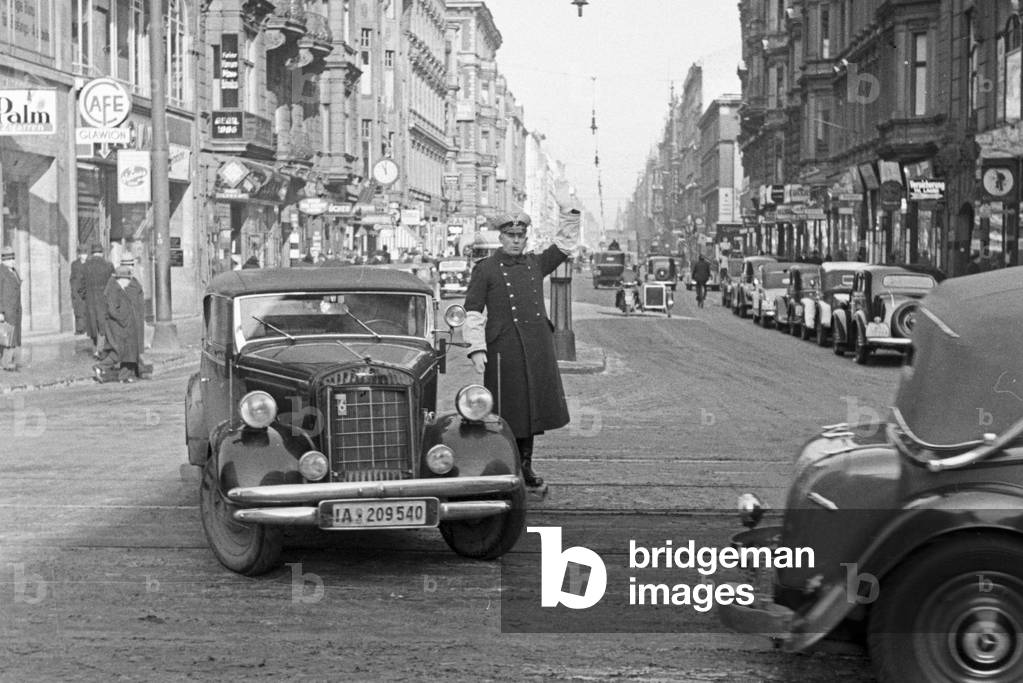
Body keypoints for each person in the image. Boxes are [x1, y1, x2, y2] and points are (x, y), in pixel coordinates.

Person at [463, 211, 572, 489]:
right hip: (504, 348)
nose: (515, 241)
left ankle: (525, 465)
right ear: (500, 237)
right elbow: (473, 311)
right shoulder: (485, 268)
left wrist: (570, 213)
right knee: (506, 408)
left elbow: (563, 245)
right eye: (510, 236)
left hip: (536, 347)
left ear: (525, 238)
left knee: (531, 408)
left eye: (520, 236)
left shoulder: (535, 263)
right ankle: (504, 463)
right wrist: (477, 348)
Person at [99, 266, 146, 383]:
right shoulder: (114, 290)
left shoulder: (120, 288)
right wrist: (123, 319)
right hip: (117, 327)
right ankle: (101, 367)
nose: (128, 283)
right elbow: (112, 310)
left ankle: (124, 375)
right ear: (121, 279)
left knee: (128, 350)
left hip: (126, 325)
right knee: (119, 351)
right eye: (127, 280)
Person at [83, 243, 114, 358]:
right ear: (102, 252)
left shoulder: (86, 266)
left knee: (93, 323)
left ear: (92, 252)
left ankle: (96, 348)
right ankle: (101, 349)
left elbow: (81, 285)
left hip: (90, 299)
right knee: (103, 323)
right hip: (104, 298)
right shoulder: (108, 265)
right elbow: (113, 284)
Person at [0, 246, 23, 371]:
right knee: (8, 336)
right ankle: (5, 362)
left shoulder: (13, 271)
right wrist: (0, 312)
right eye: (10, 259)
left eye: (13, 258)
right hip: (7, 310)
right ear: (4, 260)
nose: (12, 261)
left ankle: (16, 360)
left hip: (16, 309)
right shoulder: (1, 272)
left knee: (16, 335)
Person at [70, 245, 89, 334]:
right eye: (82, 253)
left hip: (87, 290)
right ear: (79, 254)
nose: (83, 255)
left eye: (85, 253)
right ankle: (80, 329)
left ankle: (87, 328)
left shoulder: (89, 264)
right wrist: (74, 289)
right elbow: (73, 278)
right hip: (77, 291)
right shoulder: (75, 264)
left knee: (87, 309)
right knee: (78, 310)